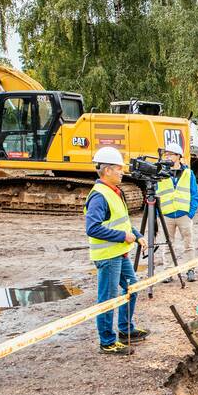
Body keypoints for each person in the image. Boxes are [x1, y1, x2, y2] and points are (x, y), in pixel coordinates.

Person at [85, 146, 150, 355]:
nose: (122, 172)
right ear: (107, 170)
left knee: (132, 287)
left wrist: (136, 235)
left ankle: (125, 329)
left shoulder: (115, 191)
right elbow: (92, 228)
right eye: (119, 169)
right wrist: (124, 237)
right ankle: (107, 341)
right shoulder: (99, 196)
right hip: (108, 256)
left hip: (119, 254)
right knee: (108, 299)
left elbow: (120, 223)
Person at [156, 136, 198, 282]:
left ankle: (190, 270)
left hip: (183, 215)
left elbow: (195, 195)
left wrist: (190, 213)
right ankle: (169, 273)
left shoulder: (188, 174)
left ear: (178, 156)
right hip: (167, 215)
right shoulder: (161, 174)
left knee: (188, 244)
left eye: (170, 154)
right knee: (167, 245)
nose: (167, 156)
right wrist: (159, 214)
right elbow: (156, 194)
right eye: (166, 154)